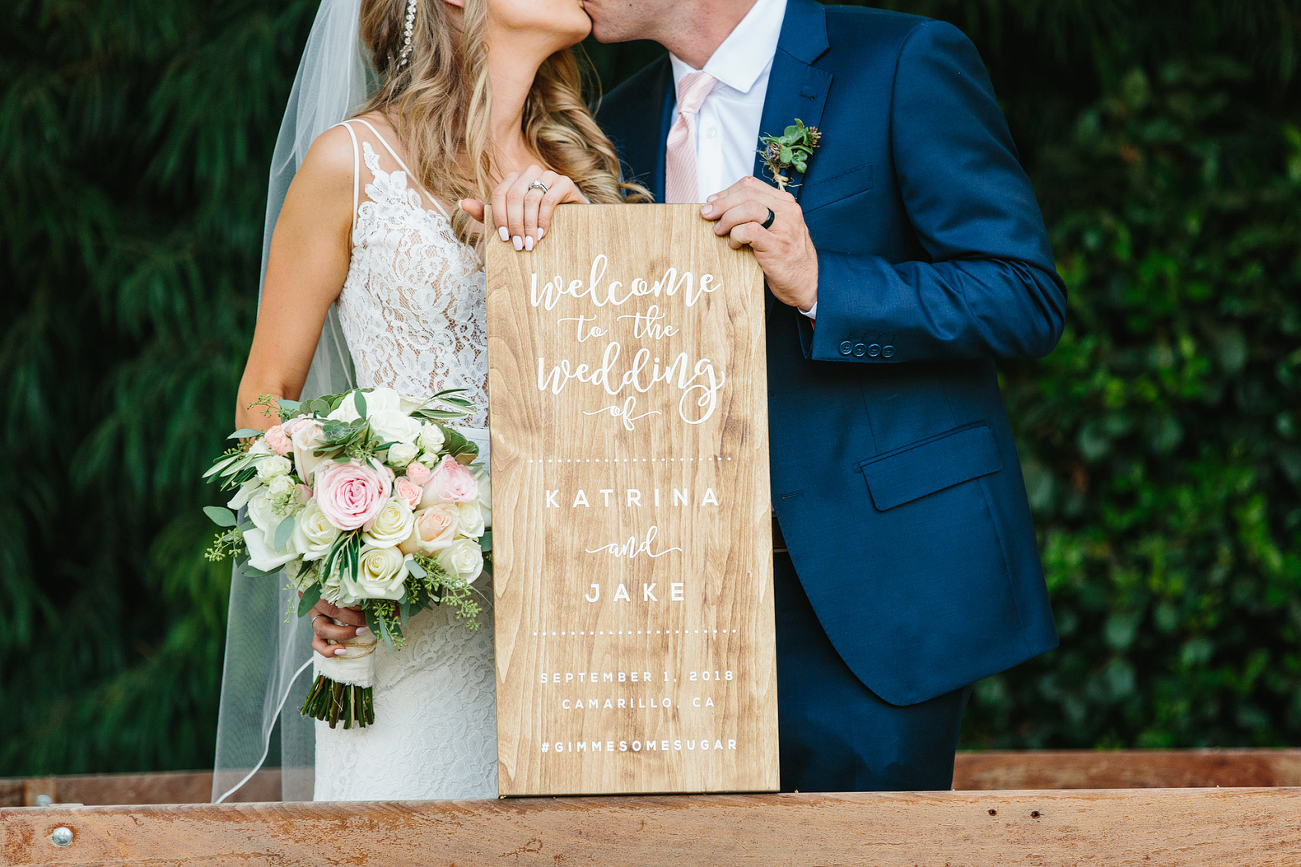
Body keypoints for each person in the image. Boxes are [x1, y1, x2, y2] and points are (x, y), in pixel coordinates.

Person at [587, 0, 1066, 791]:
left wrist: (820, 281)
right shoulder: (616, 119)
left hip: (871, 584)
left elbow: (1021, 296)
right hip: (679, 602)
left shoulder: (902, 60)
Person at [213, 0, 643, 803]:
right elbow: (264, 396)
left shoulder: (578, 168)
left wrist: (587, 247)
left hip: (573, 617)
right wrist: (342, 535)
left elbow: (630, 396)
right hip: (416, 621)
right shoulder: (351, 162)